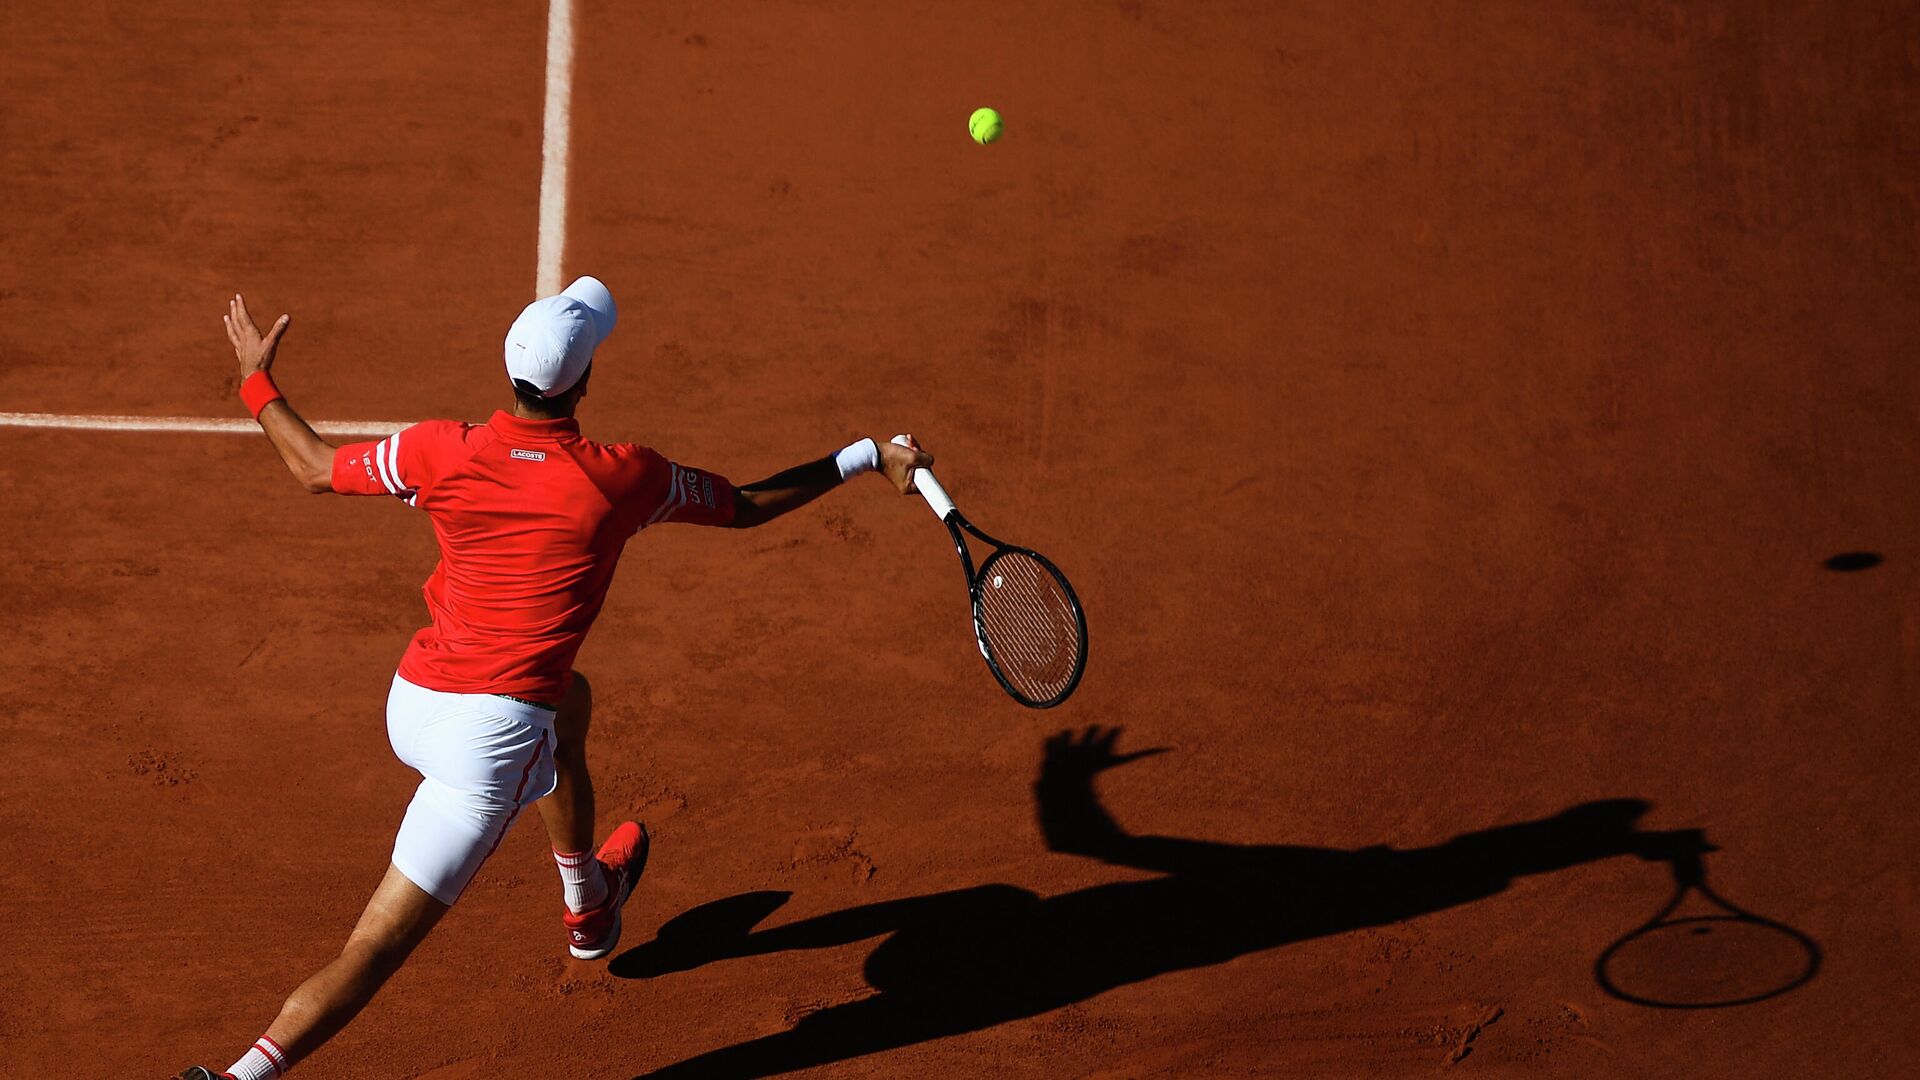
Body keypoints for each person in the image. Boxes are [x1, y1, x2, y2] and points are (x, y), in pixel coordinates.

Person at [176, 280, 932, 1080]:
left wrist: (256, 379)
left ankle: (589, 904)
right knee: (373, 949)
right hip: (487, 746)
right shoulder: (623, 478)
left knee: (570, 701)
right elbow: (745, 507)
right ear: (584, 384)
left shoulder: (441, 449)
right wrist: (863, 456)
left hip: (414, 700)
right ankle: (236, 1079)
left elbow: (315, 467)